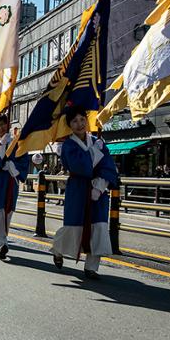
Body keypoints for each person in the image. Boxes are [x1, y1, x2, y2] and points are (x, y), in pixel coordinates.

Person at [51, 105, 119, 280]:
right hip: (78, 188)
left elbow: (109, 166)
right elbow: (79, 166)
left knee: (99, 227)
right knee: (74, 227)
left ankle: (91, 267)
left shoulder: (98, 142)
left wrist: (100, 185)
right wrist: (95, 152)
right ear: (70, 125)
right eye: (75, 121)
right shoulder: (68, 146)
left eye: (82, 119)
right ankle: (58, 249)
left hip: (99, 189)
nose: (80, 124)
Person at [0, 116, 30, 260]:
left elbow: (23, 160)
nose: (0, 128)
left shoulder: (16, 143)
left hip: (10, 181)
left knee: (6, 212)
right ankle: (1, 245)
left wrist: (14, 167)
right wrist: (3, 144)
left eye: (3, 124)